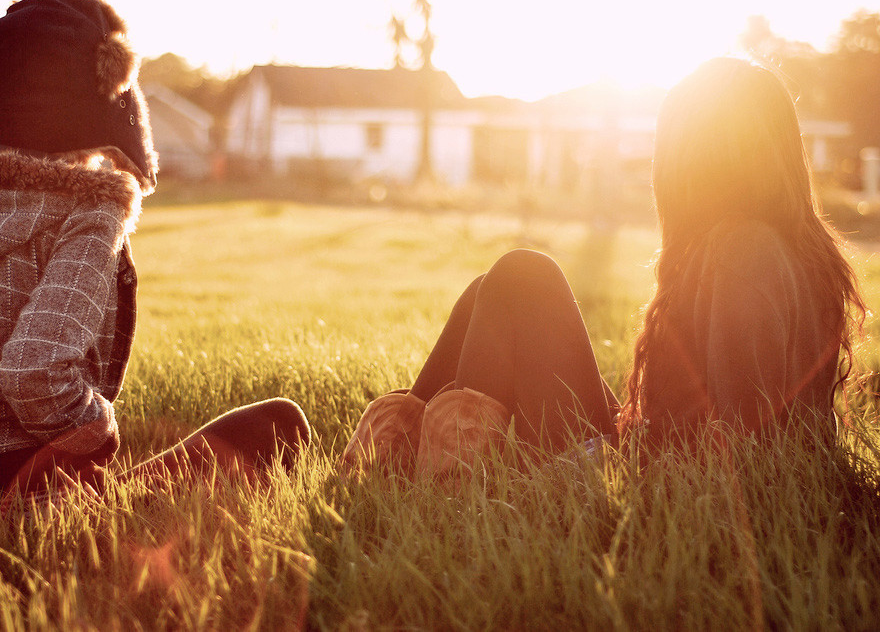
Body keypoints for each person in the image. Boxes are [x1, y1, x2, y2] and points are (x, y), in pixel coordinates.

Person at [0, 0, 309, 499]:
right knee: (280, 424)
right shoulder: (88, 210)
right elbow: (33, 370)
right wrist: (98, 436)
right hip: (27, 488)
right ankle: (87, 503)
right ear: (107, 84)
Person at [343, 57, 865, 476]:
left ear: (699, 155)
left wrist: (614, 466)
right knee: (490, 289)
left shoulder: (743, 251)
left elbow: (738, 445)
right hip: (642, 450)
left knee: (523, 276)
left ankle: (449, 491)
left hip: (634, 479)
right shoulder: (791, 248)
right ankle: (390, 462)